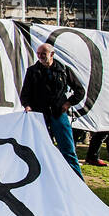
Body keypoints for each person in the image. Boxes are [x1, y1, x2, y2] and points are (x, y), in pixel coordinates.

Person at [19, 42, 85, 179]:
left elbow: (80, 91)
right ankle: (47, 179)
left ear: (52, 54)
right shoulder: (32, 71)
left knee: (67, 150)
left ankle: (78, 181)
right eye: (38, 54)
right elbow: (25, 93)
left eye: (43, 54)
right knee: (43, 149)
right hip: (40, 115)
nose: (40, 56)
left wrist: (68, 103)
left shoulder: (64, 70)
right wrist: (27, 106)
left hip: (58, 113)